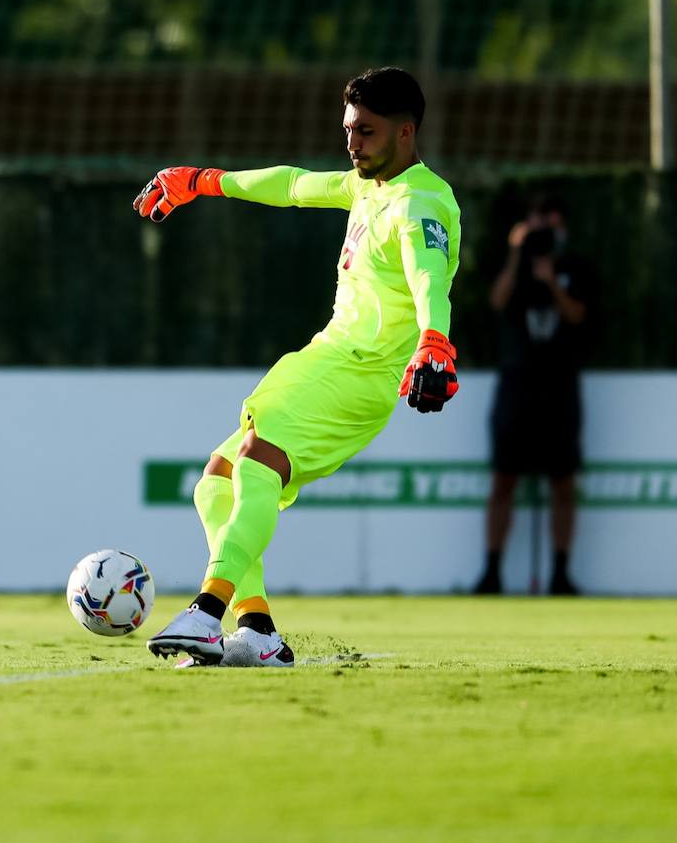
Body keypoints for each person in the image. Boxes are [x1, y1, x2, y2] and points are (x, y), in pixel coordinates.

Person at [132, 66, 462, 667]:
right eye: (348, 130)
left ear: (406, 133)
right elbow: (290, 184)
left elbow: (428, 276)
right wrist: (202, 182)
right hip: (328, 360)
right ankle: (255, 629)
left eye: (365, 131)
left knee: (257, 461)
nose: (352, 143)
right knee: (217, 482)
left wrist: (435, 339)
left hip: (359, 374)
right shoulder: (367, 188)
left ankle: (206, 611)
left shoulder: (419, 202)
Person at [473, 195, 596, 596]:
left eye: (552, 222)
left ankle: (561, 574)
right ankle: (491, 572)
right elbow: (497, 301)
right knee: (503, 479)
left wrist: (550, 283)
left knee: (563, 482)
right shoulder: (516, 265)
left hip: (560, 387)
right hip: (517, 386)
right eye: (538, 222)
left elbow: (579, 316)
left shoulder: (575, 267)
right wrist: (515, 254)